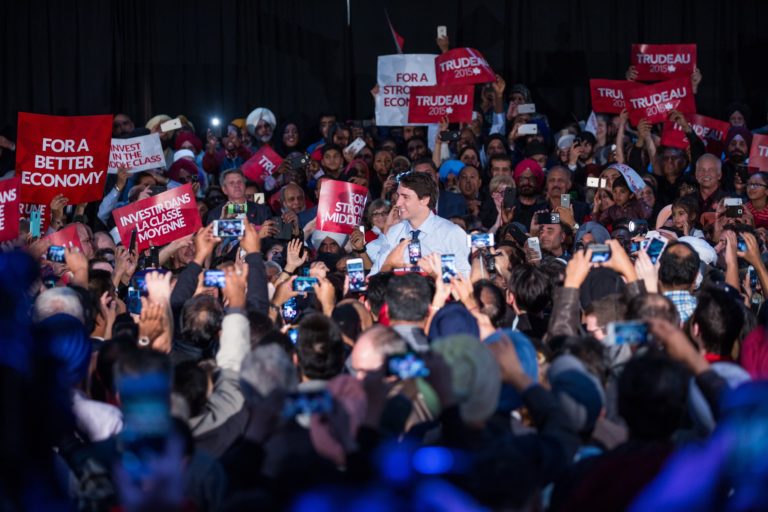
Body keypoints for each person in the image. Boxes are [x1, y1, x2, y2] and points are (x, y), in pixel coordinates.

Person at [371, 172, 470, 276]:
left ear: (424, 200)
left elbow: (466, 278)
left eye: (405, 197)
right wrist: (389, 265)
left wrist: (434, 274)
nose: (398, 203)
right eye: (398, 196)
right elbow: (374, 277)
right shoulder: (393, 233)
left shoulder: (451, 233)